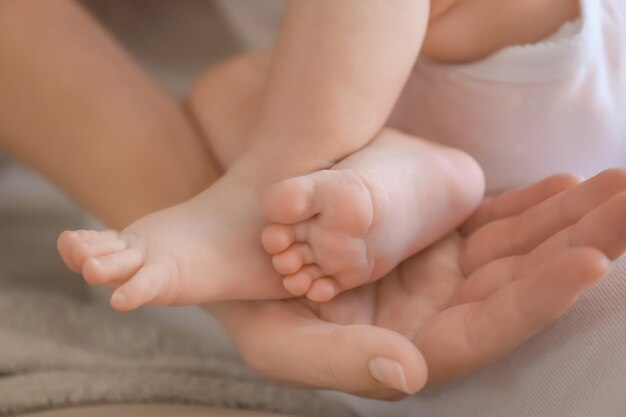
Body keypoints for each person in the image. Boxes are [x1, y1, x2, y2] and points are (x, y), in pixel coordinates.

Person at [2, 0, 626, 401]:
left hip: (522, 62)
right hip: (447, 102)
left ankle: (271, 184)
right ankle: (405, 180)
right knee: (224, 91)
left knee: (241, 97)